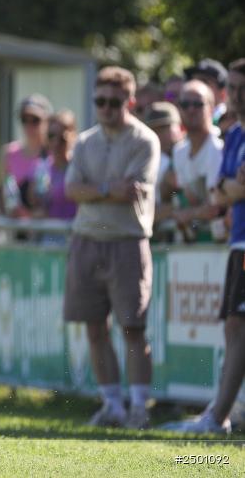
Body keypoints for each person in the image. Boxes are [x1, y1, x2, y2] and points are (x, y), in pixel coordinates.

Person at [63, 66, 160, 429]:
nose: (105, 108)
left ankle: (138, 405)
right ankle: (112, 404)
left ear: (129, 102)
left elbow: (131, 189)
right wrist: (106, 190)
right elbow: (73, 189)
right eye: (99, 101)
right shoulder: (86, 141)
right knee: (93, 327)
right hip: (86, 240)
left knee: (133, 326)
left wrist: (97, 189)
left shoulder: (145, 140)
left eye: (113, 102)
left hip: (127, 242)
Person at [167, 58, 245, 434]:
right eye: (234, 89)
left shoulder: (226, 139)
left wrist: (230, 191)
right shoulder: (235, 136)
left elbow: (225, 194)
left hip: (238, 242)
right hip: (236, 243)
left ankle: (218, 416)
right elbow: (221, 190)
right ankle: (220, 414)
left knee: (237, 326)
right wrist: (232, 189)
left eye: (243, 88)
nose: (238, 97)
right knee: (234, 327)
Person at [169, 80, 223, 242]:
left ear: (211, 108)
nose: (191, 109)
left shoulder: (219, 147)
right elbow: (192, 200)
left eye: (198, 104)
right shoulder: (179, 151)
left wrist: (187, 214)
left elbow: (215, 207)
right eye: (185, 104)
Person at [2, 94, 51, 217]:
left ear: (47, 121)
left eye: (35, 120)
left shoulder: (53, 153)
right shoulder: (10, 153)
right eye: (25, 119)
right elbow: (4, 196)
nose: (29, 125)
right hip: (18, 228)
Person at [29, 110, 77, 222]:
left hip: (71, 236)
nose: (55, 143)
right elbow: (34, 205)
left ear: (73, 136)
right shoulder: (40, 168)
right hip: (47, 237)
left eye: (61, 138)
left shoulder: (79, 168)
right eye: (51, 136)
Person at [185, 58, 233, 133]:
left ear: (223, 93)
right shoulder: (186, 117)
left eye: (204, 82)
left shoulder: (232, 121)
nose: (197, 86)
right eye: (194, 81)